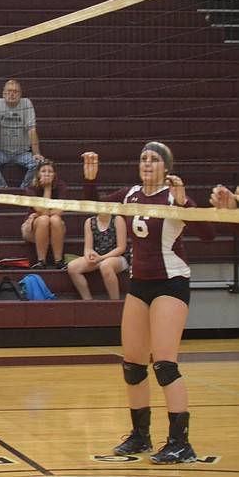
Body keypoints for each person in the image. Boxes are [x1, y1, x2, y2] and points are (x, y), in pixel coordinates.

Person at [81, 143, 215, 464]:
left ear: (167, 167)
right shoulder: (130, 195)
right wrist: (90, 180)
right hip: (140, 286)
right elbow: (94, 206)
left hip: (171, 283)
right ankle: (140, 436)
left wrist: (184, 203)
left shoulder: (174, 196)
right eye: (143, 159)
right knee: (132, 364)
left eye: (154, 160)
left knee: (165, 365)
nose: (147, 163)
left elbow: (208, 234)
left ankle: (180, 443)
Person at [0, 79, 43, 189]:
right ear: (3, 93)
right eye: (9, 91)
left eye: (15, 91)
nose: (12, 94)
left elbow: (32, 129)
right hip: (1, 151)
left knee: (38, 163)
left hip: (22, 152)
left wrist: (36, 153)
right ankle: (3, 191)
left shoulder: (26, 103)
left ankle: (23, 191)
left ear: (20, 94)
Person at [66, 213, 129, 300]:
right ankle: (87, 299)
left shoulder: (118, 220)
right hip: (98, 256)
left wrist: (102, 258)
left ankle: (115, 300)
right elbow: (88, 248)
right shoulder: (90, 221)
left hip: (117, 257)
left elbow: (121, 248)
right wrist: (90, 255)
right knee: (72, 267)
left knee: (105, 266)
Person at [21, 159, 66, 269]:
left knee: (55, 219)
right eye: (43, 171)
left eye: (50, 171)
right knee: (43, 219)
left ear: (54, 175)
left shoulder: (61, 186)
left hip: (54, 226)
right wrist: (47, 189)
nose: (46, 174)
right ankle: (41, 261)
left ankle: (59, 261)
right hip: (32, 228)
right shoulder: (30, 188)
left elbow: (59, 212)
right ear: (38, 174)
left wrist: (40, 213)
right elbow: (42, 210)